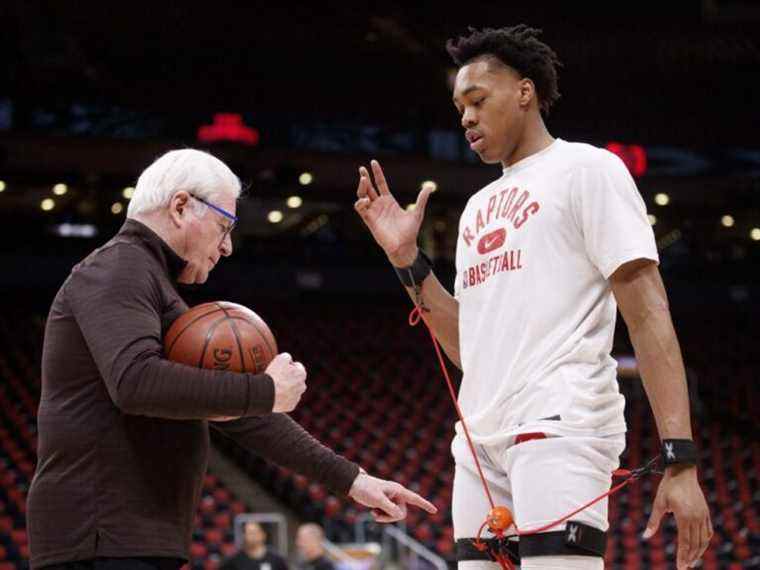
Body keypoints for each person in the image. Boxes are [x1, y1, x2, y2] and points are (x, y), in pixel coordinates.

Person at [354, 25, 711, 570]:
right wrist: (407, 260)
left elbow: (648, 312)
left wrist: (679, 459)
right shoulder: (476, 207)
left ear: (524, 92)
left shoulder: (588, 169)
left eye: (477, 100)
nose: (466, 117)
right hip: (479, 441)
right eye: (459, 107)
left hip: (558, 422)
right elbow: (468, 347)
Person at [28, 149, 436, 570]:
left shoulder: (151, 281)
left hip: (122, 538)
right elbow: (135, 382)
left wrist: (352, 480)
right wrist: (264, 389)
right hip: (100, 538)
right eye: (224, 225)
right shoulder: (119, 266)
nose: (226, 247)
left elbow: (244, 415)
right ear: (181, 206)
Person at [221, 521, 288, 570]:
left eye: (253, 533)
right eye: (247, 533)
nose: (251, 536)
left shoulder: (276, 559)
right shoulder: (234, 560)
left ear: (263, 535)